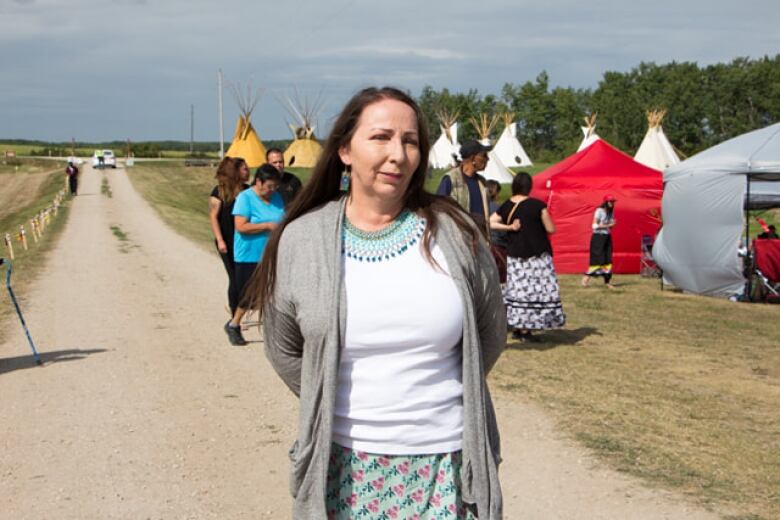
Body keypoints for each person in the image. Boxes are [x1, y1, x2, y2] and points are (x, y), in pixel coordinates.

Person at [248, 87, 506, 518]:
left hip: (448, 468)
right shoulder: (303, 239)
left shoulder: (458, 234)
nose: (398, 154)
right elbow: (285, 348)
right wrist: (332, 395)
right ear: (345, 150)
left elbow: (489, 336)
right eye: (381, 137)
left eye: (410, 141)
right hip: (343, 467)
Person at [490, 172, 565, 342]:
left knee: (518, 292)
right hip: (536, 255)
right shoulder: (538, 205)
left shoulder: (506, 205)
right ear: (529, 187)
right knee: (534, 292)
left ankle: (518, 327)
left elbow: (490, 222)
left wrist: (509, 228)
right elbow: (551, 228)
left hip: (515, 255)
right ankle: (526, 330)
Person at [224, 164, 284, 346]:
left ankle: (274, 330)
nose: (272, 191)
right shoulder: (245, 198)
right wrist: (266, 226)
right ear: (258, 181)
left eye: (275, 187)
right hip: (249, 255)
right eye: (269, 187)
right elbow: (241, 227)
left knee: (273, 293)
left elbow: (283, 217)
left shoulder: (277, 198)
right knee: (248, 296)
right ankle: (234, 324)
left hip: (272, 254)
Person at [209, 156, 250, 318]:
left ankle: (238, 310)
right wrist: (220, 240)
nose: (248, 171)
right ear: (236, 171)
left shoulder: (247, 191)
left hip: (243, 241)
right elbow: (213, 217)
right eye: (245, 169)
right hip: (226, 241)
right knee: (235, 279)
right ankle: (235, 315)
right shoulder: (219, 191)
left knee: (244, 278)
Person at [436, 140, 492, 237]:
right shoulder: (451, 180)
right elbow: (438, 211)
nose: (488, 159)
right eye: (484, 155)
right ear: (472, 158)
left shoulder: (482, 182)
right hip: (459, 240)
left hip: (481, 241)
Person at [582, 195, 617, 288]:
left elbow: (611, 225)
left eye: (613, 202)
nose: (612, 203)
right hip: (598, 238)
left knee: (608, 259)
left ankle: (607, 282)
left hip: (607, 237)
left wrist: (610, 225)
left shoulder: (611, 213)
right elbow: (594, 226)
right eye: (610, 202)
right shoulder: (599, 211)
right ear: (606, 202)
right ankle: (586, 279)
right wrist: (608, 225)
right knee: (597, 259)